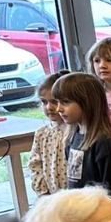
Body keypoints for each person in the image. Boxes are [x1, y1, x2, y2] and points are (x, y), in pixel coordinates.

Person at [54, 72, 111, 206]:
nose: (58, 109)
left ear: (87, 102)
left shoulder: (104, 143)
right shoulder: (72, 137)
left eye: (65, 102)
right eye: (57, 102)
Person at [28, 69, 70, 197]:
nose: (49, 107)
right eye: (44, 102)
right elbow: (35, 166)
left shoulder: (76, 131)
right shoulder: (42, 134)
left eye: (54, 101)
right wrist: (43, 193)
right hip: (52, 198)